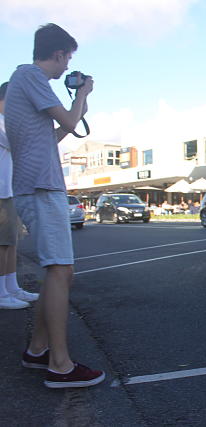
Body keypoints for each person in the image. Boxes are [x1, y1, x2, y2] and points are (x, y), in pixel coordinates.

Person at [5, 23, 104, 388]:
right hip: (41, 186)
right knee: (61, 271)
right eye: (68, 60)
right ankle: (60, 365)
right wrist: (83, 94)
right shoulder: (30, 76)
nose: (68, 69)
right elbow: (67, 119)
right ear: (60, 53)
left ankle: (38, 348)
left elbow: (56, 133)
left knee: (58, 271)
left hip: (37, 184)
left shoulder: (25, 82)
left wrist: (82, 103)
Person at [0, 82, 39, 309]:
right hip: (2, 192)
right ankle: (2, 293)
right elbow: (22, 144)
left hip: (9, 190)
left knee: (11, 242)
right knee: (3, 244)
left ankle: (11, 287)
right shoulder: (2, 122)